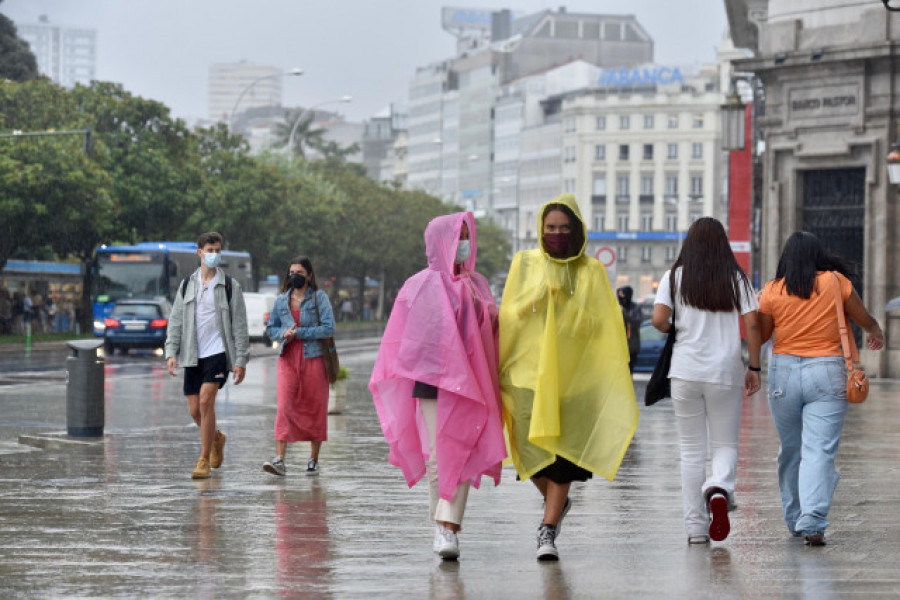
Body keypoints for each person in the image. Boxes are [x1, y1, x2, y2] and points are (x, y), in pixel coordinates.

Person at [499, 194, 639, 561]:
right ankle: (556, 504)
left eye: (564, 228)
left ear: (576, 230)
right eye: (550, 228)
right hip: (526, 376)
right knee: (526, 449)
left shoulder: (591, 271)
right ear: (539, 230)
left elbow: (602, 326)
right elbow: (509, 314)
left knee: (561, 456)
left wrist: (568, 305)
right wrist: (539, 299)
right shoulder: (524, 263)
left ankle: (547, 531)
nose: (557, 234)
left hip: (573, 382)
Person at [369, 212, 505, 561]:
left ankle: (450, 526)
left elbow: (491, 329)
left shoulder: (477, 284)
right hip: (432, 381)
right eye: (457, 235)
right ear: (440, 240)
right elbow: (410, 337)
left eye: (466, 235)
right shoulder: (420, 285)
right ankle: (442, 526)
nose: (464, 243)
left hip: (472, 384)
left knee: (460, 452)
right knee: (437, 456)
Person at [758, 231, 884, 546]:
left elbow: (760, 336)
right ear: (818, 255)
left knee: (790, 450)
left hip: (783, 373)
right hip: (827, 371)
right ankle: (812, 521)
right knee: (820, 449)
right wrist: (874, 329)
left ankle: (794, 517)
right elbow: (862, 317)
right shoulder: (834, 281)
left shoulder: (772, 291)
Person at [651, 217, 761, 545]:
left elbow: (658, 319)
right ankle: (719, 488)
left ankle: (696, 530)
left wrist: (679, 329)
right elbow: (753, 324)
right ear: (722, 245)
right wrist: (754, 366)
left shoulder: (673, 277)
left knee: (691, 450)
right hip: (724, 372)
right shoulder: (735, 278)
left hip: (685, 371)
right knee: (725, 444)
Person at [165, 231, 250, 480]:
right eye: (209, 250)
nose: (214, 255)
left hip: (218, 352)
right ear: (199, 253)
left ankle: (202, 459)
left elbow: (240, 326)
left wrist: (240, 360)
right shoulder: (186, 285)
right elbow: (176, 320)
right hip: (192, 353)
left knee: (205, 401)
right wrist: (171, 351)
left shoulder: (229, 286)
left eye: (217, 250)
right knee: (194, 410)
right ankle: (215, 438)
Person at [262, 256, 335, 477]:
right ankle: (280, 460)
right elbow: (270, 328)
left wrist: (300, 333)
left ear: (309, 275)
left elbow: (329, 328)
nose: (295, 276)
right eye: (292, 271)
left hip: (314, 359)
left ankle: (313, 459)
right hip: (288, 358)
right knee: (284, 406)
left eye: (300, 272)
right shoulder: (281, 301)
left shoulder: (319, 298)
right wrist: (281, 334)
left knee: (315, 407)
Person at [617, 286, 643, 373]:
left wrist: (623, 313)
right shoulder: (617, 307)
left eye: (622, 294)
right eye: (619, 294)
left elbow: (636, 322)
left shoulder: (635, 308)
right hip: (619, 345)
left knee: (629, 370)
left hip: (631, 346)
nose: (621, 297)